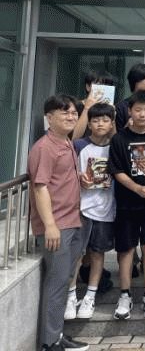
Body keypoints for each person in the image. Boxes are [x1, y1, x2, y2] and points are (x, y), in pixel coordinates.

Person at [29, 94, 89, 351]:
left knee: (64, 281)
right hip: (57, 225)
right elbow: (40, 187)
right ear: (49, 117)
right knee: (56, 283)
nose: (70, 117)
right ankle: (49, 342)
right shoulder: (44, 147)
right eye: (64, 112)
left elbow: (58, 178)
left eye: (74, 113)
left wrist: (79, 178)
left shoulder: (66, 143)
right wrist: (50, 225)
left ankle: (57, 333)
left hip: (72, 220)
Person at [108, 90, 145, 320]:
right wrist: (136, 188)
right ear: (129, 111)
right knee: (126, 249)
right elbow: (116, 171)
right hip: (127, 202)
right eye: (138, 110)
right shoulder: (119, 139)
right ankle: (124, 294)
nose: (142, 114)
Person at [67, 103, 116, 321]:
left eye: (105, 120)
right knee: (76, 254)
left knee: (97, 253)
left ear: (112, 123)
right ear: (89, 123)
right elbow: (67, 171)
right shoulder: (79, 145)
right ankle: (70, 296)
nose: (100, 124)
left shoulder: (116, 146)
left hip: (106, 208)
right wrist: (79, 178)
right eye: (96, 120)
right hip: (81, 208)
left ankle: (90, 296)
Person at [72, 70, 117, 140]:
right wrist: (87, 108)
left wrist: (112, 115)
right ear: (88, 87)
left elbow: (113, 139)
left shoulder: (112, 108)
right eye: (98, 85)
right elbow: (74, 137)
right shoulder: (76, 106)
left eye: (106, 85)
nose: (103, 89)